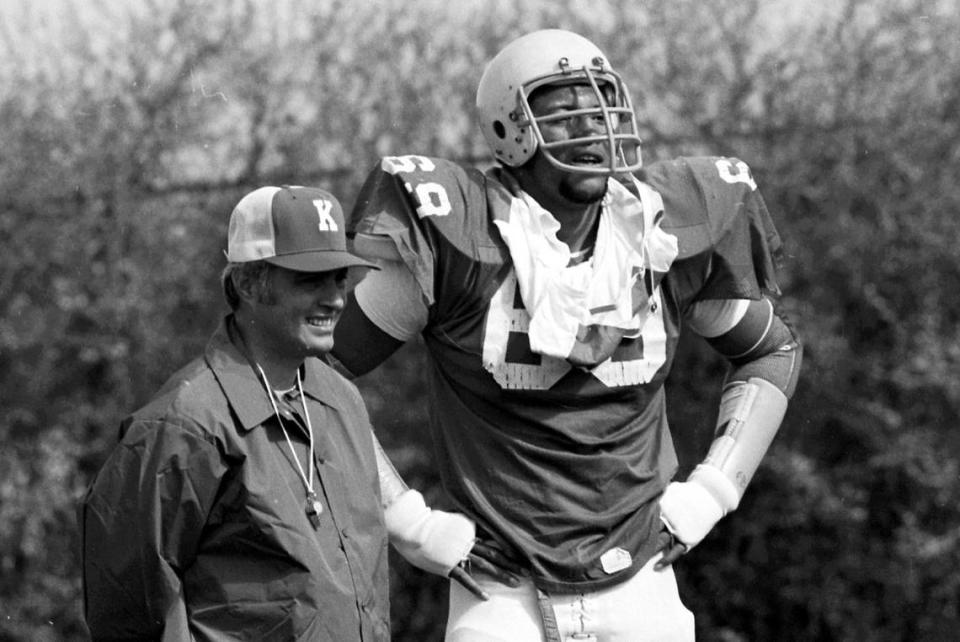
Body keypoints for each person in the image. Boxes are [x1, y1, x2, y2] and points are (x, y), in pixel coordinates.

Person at [331, 29, 803, 642]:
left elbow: (772, 351)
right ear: (509, 131)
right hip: (500, 591)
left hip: (641, 579)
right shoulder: (464, 235)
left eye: (603, 109)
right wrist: (410, 523)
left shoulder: (661, 235)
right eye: (564, 117)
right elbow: (316, 373)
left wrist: (712, 492)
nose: (593, 133)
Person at [80, 186, 394, 640]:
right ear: (247, 283)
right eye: (310, 280)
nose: (336, 299)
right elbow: (128, 609)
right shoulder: (185, 423)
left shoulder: (343, 400)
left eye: (340, 278)